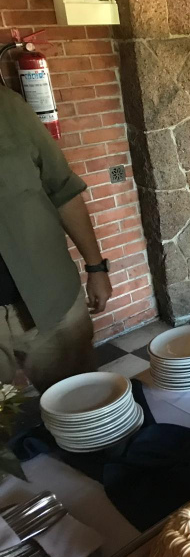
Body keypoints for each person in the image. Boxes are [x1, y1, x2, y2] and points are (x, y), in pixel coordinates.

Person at [0, 86, 112, 393]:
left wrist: (97, 268)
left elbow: (62, 189)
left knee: (83, 403)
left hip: (50, 298)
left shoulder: (8, 107)